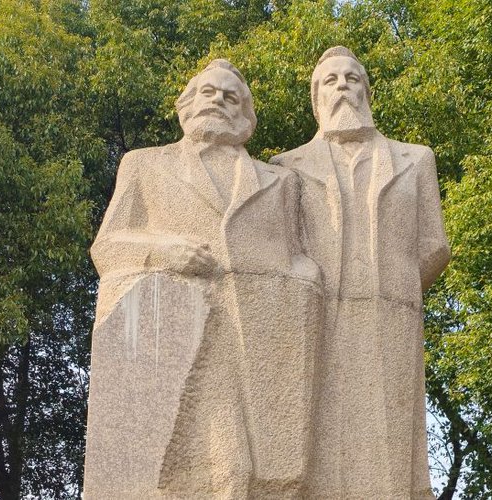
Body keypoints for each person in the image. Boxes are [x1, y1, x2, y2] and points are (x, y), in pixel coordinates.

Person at [85, 59, 321, 499]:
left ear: (246, 117)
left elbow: (300, 261)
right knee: (213, 468)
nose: (218, 102)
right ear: (187, 105)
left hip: (260, 341)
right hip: (177, 329)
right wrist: (163, 252)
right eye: (208, 92)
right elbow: (107, 247)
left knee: (248, 473)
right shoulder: (144, 165)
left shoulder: (280, 182)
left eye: (231, 97)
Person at [271, 46, 450, 499]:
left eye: (352, 78)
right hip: (315, 319)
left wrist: (393, 288)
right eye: (331, 80)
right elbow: (280, 251)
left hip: (392, 315)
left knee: (391, 444)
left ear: (367, 91)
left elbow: (434, 246)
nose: (343, 87)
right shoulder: (284, 169)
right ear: (316, 98)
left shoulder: (415, 159)